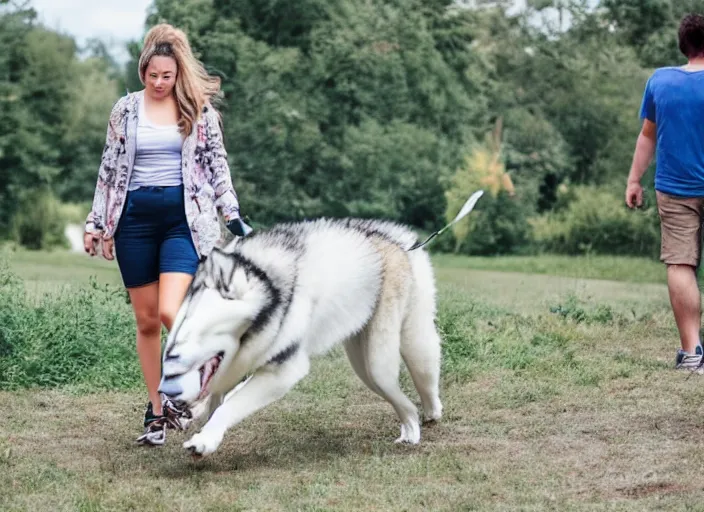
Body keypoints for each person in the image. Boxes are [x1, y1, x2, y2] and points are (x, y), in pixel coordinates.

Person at [83, 23, 251, 445]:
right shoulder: (124, 110)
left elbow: (217, 165)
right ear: (143, 72)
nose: (159, 83)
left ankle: (210, 374)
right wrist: (96, 223)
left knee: (171, 312)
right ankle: (157, 413)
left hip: (182, 220)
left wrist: (232, 213)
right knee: (145, 321)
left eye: (167, 76)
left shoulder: (198, 111)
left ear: (178, 75)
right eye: (153, 75)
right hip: (133, 223)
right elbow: (108, 170)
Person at [626, 13, 704, 372]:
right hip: (676, 189)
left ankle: (692, 354)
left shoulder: (661, 81)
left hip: (675, 189)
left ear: (682, 45)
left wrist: (633, 180)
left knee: (680, 263)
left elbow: (647, 135)